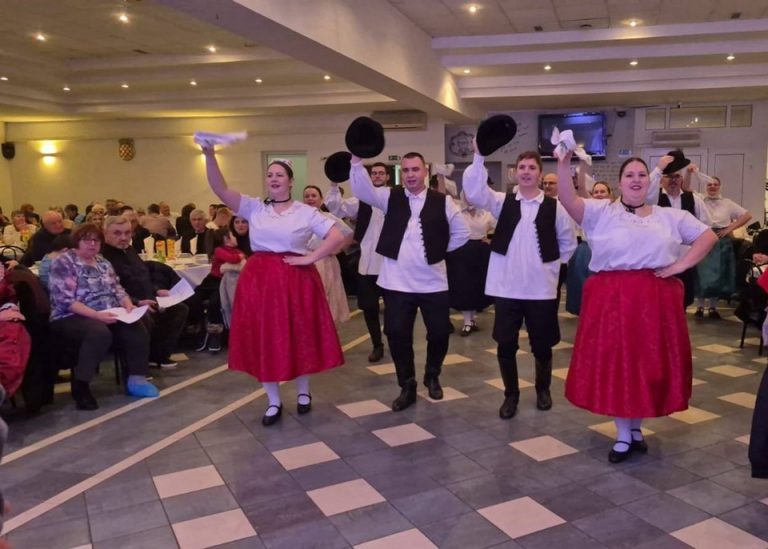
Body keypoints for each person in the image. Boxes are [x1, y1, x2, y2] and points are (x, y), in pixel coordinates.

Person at [555, 152, 717, 463]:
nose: (636, 180)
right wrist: (563, 163)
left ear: (649, 181)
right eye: (629, 175)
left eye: (641, 174)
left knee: (646, 364)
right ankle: (623, 433)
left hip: (654, 300)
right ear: (620, 182)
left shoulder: (670, 216)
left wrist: (680, 265)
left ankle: (636, 428)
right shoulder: (601, 212)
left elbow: (708, 237)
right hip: (611, 300)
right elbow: (566, 197)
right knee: (618, 364)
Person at [202, 146, 345, 425]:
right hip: (261, 281)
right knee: (264, 336)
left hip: (295, 278)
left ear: (291, 181)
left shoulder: (305, 212)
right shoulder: (254, 207)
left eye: (280, 174)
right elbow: (220, 188)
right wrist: (209, 155)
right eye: (270, 175)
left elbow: (337, 235)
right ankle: (273, 400)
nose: (274, 178)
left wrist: (311, 257)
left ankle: (304, 393)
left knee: (299, 333)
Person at [350, 152, 469, 411]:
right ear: (401, 173)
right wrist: (357, 162)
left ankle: (432, 374)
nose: (411, 174)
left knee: (439, 333)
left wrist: (439, 250)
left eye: (415, 169)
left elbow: (462, 232)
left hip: (433, 283)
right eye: (405, 170)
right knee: (396, 335)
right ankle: (407, 384)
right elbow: (361, 189)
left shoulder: (444, 202)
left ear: (425, 172)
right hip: (396, 283)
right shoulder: (388, 198)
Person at [463, 148, 576, 419]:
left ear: (539, 173)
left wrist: (549, 266)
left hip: (540, 289)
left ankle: (543, 390)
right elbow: (475, 191)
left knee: (542, 343)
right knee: (505, 343)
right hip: (506, 287)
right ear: (515, 172)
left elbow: (568, 242)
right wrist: (479, 156)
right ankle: (510, 394)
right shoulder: (503, 201)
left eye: (532, 167)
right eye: (522, 167)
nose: (526, 172)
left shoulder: (555, 206)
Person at [48, 223, 160, 410]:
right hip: (70, 315)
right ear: (77, 241)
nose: (92, 244)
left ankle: (136, 379)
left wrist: (128, 305)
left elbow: (117, 289)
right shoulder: (64, 262)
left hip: (107, 311)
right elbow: (65, 301)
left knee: (136, 325)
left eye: (96, 240)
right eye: (87, 240)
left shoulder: (103, 262)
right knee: (99, 333)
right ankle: (81, 386)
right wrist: (96, 315)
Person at [101, 216, 189, 368]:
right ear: (105, 233)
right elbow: (110, 290)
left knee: (179, 309)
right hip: (125, 304)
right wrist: (137, 302)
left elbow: (143, 274)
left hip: (147, 298)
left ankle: (158, 355)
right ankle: (137, 365)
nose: (123, 238)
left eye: (127, 233)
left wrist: (157, 290)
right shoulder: (102, 257)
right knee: (145, 316)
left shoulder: (129, 250)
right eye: (117, 233)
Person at [326, 161, 389, 362]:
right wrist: (334, 185)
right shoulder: (360, 200)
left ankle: (395, 341)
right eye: (375, 173)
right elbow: (336, 208)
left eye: (381, 173)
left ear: (387, 177)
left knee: (396, 310)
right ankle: (377, 345)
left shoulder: (395, 199)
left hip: (392, 265)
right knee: (370, 308)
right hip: (368, 264)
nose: (378, 176)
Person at [695, 175, 752, 318]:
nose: (712, 187)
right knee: (702, 273)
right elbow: (686, 189)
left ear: (720, 187)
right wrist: (690, 173)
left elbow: (747, 215)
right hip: (704, 238)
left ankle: (713, 308)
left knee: (719, 274)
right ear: (705, 187)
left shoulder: (727, 203)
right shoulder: (700, 200)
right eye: (709, 184)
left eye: (715, 184)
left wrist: (729, 228)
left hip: (721, 240)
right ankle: (700, 307)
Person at [190, 227, 245, 353]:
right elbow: (234, 259)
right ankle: (200, 327)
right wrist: (240, 256)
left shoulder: (235, 251)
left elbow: (240, 260)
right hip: (211, 280)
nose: (235, 237)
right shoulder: (219, 250)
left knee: (215, 302)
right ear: (226, 239)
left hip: (222, 283)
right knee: (193, 299)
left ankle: (214, 332)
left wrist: (240, 256)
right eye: (232, 235)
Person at [447, 191, 495, 336]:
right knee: (464, 286)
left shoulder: (486, 213)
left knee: (476, 287)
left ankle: (471, 319)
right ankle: (467, 321)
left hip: (480, 253)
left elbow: (503, 226)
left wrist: (492, 240)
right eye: (467, 195)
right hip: (460, 252)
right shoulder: (456, 211)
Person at [303, 185, 353, 324]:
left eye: (313, 196)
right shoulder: (298, 218)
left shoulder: (328, 218)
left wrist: (336, 249)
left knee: (328, 298)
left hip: (325, 261)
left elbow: (349, 234)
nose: (310, 199)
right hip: (305, 261)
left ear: (321, 199)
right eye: (307, 196)